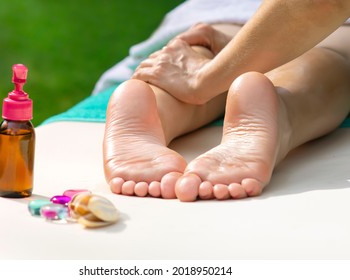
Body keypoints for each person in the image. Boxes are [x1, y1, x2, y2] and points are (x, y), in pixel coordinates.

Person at [103, 0, 350, 202]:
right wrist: (203, 80)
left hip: (226, 9)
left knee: (199, 52)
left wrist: (211, 72)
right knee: (326, 59)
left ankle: (156, 108)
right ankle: (279, 108)